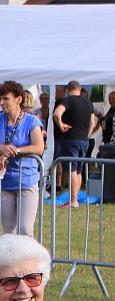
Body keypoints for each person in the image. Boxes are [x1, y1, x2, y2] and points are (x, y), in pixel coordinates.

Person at [0, 80, 45, 236]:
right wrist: (2, 148)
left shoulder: (31, 121)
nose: (2, 103)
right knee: (8, 230)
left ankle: (28, 260)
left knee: (25, 230)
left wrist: (15, 150)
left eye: (6, 99)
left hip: (26, 180)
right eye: (0, 99)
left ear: (18, 99)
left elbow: (38, 147)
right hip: (3, 181)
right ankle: (10, 261)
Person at [52, 80, 98, 209]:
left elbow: (56, 114)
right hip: (84, 140)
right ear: (80, 89)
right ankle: (75, 199)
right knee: (78, 170)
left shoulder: (68, 101)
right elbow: (92, 123)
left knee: (72, 169)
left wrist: (61, 125)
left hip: (71, 139)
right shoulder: (88, 103)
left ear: (67, 90)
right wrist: (87, 135)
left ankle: (73, 201)